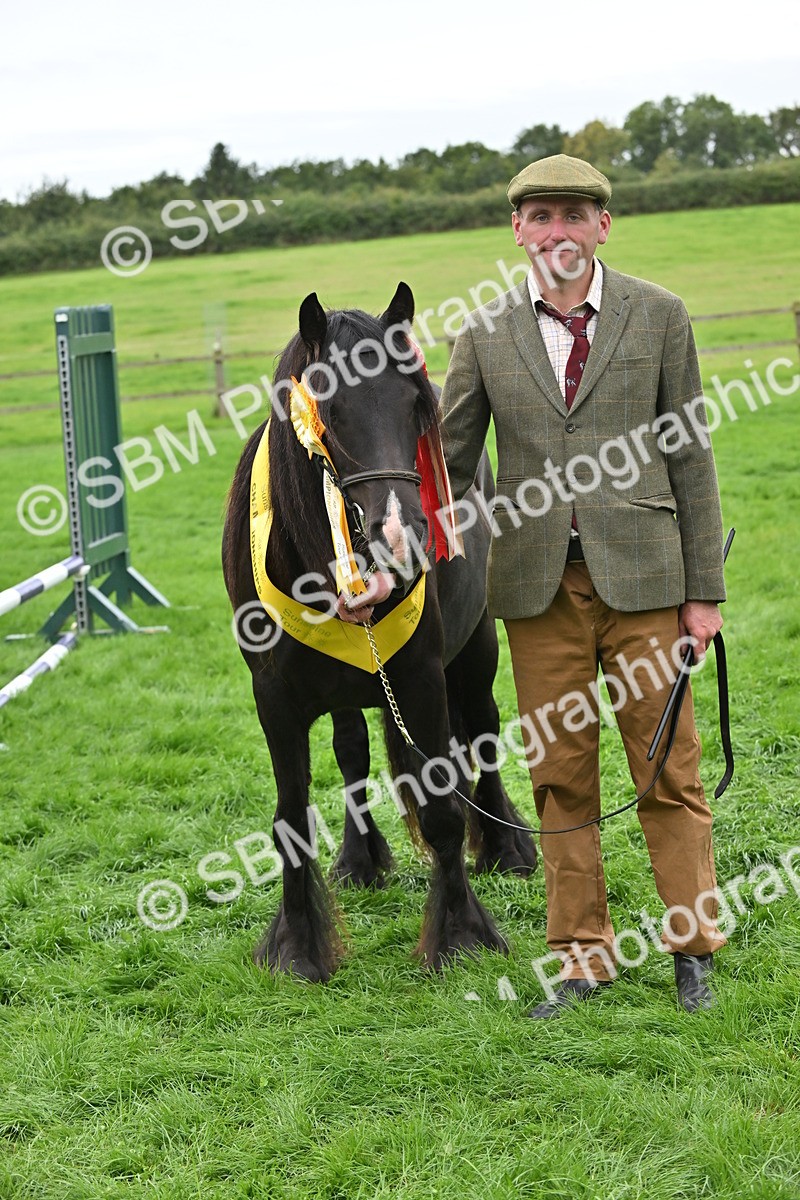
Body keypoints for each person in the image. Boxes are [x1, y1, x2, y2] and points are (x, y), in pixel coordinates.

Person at [439, 153, 727, 1018]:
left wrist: (702, 592)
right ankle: (581, 958)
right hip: (534, 591)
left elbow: (692, 457)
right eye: (541, 216)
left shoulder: (660, 315)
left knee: (667, 766)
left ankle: (692, 944)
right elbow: (449, 467)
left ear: (604, 225)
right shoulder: (483, 336)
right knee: (559, 774)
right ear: (517, 231)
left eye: (575, 214)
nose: (557, 231)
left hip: (648, 581)